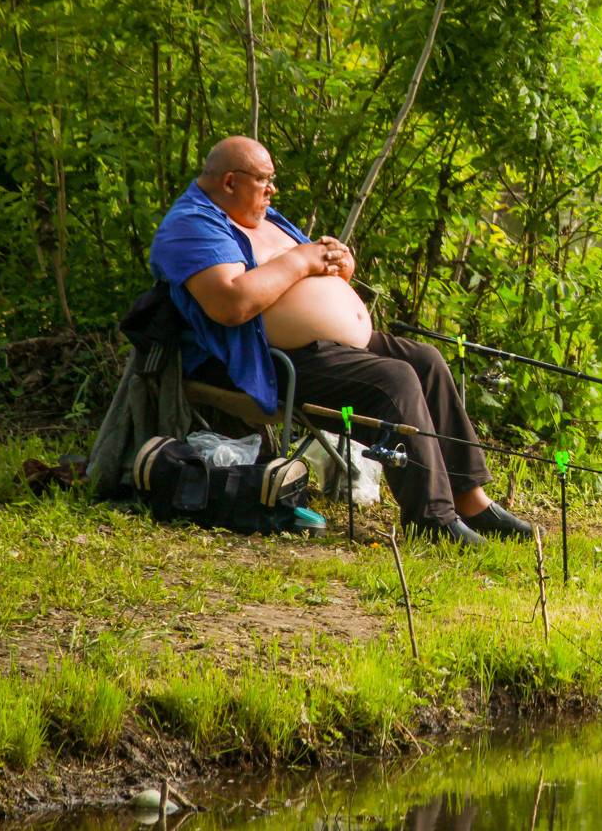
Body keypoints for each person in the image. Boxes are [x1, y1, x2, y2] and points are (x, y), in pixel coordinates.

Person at [149, 135, 530, 546]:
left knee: (426, 360)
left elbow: (305, 273)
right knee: (395, 379)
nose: (273, 190)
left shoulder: (261, 215)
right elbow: (230, 304)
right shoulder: (193, 225)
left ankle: (471, 500)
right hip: (262, 359)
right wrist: (302, 259)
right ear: (229, 182)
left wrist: (339, 266)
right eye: (265, 180)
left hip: (322, 346)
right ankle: (432, 519)